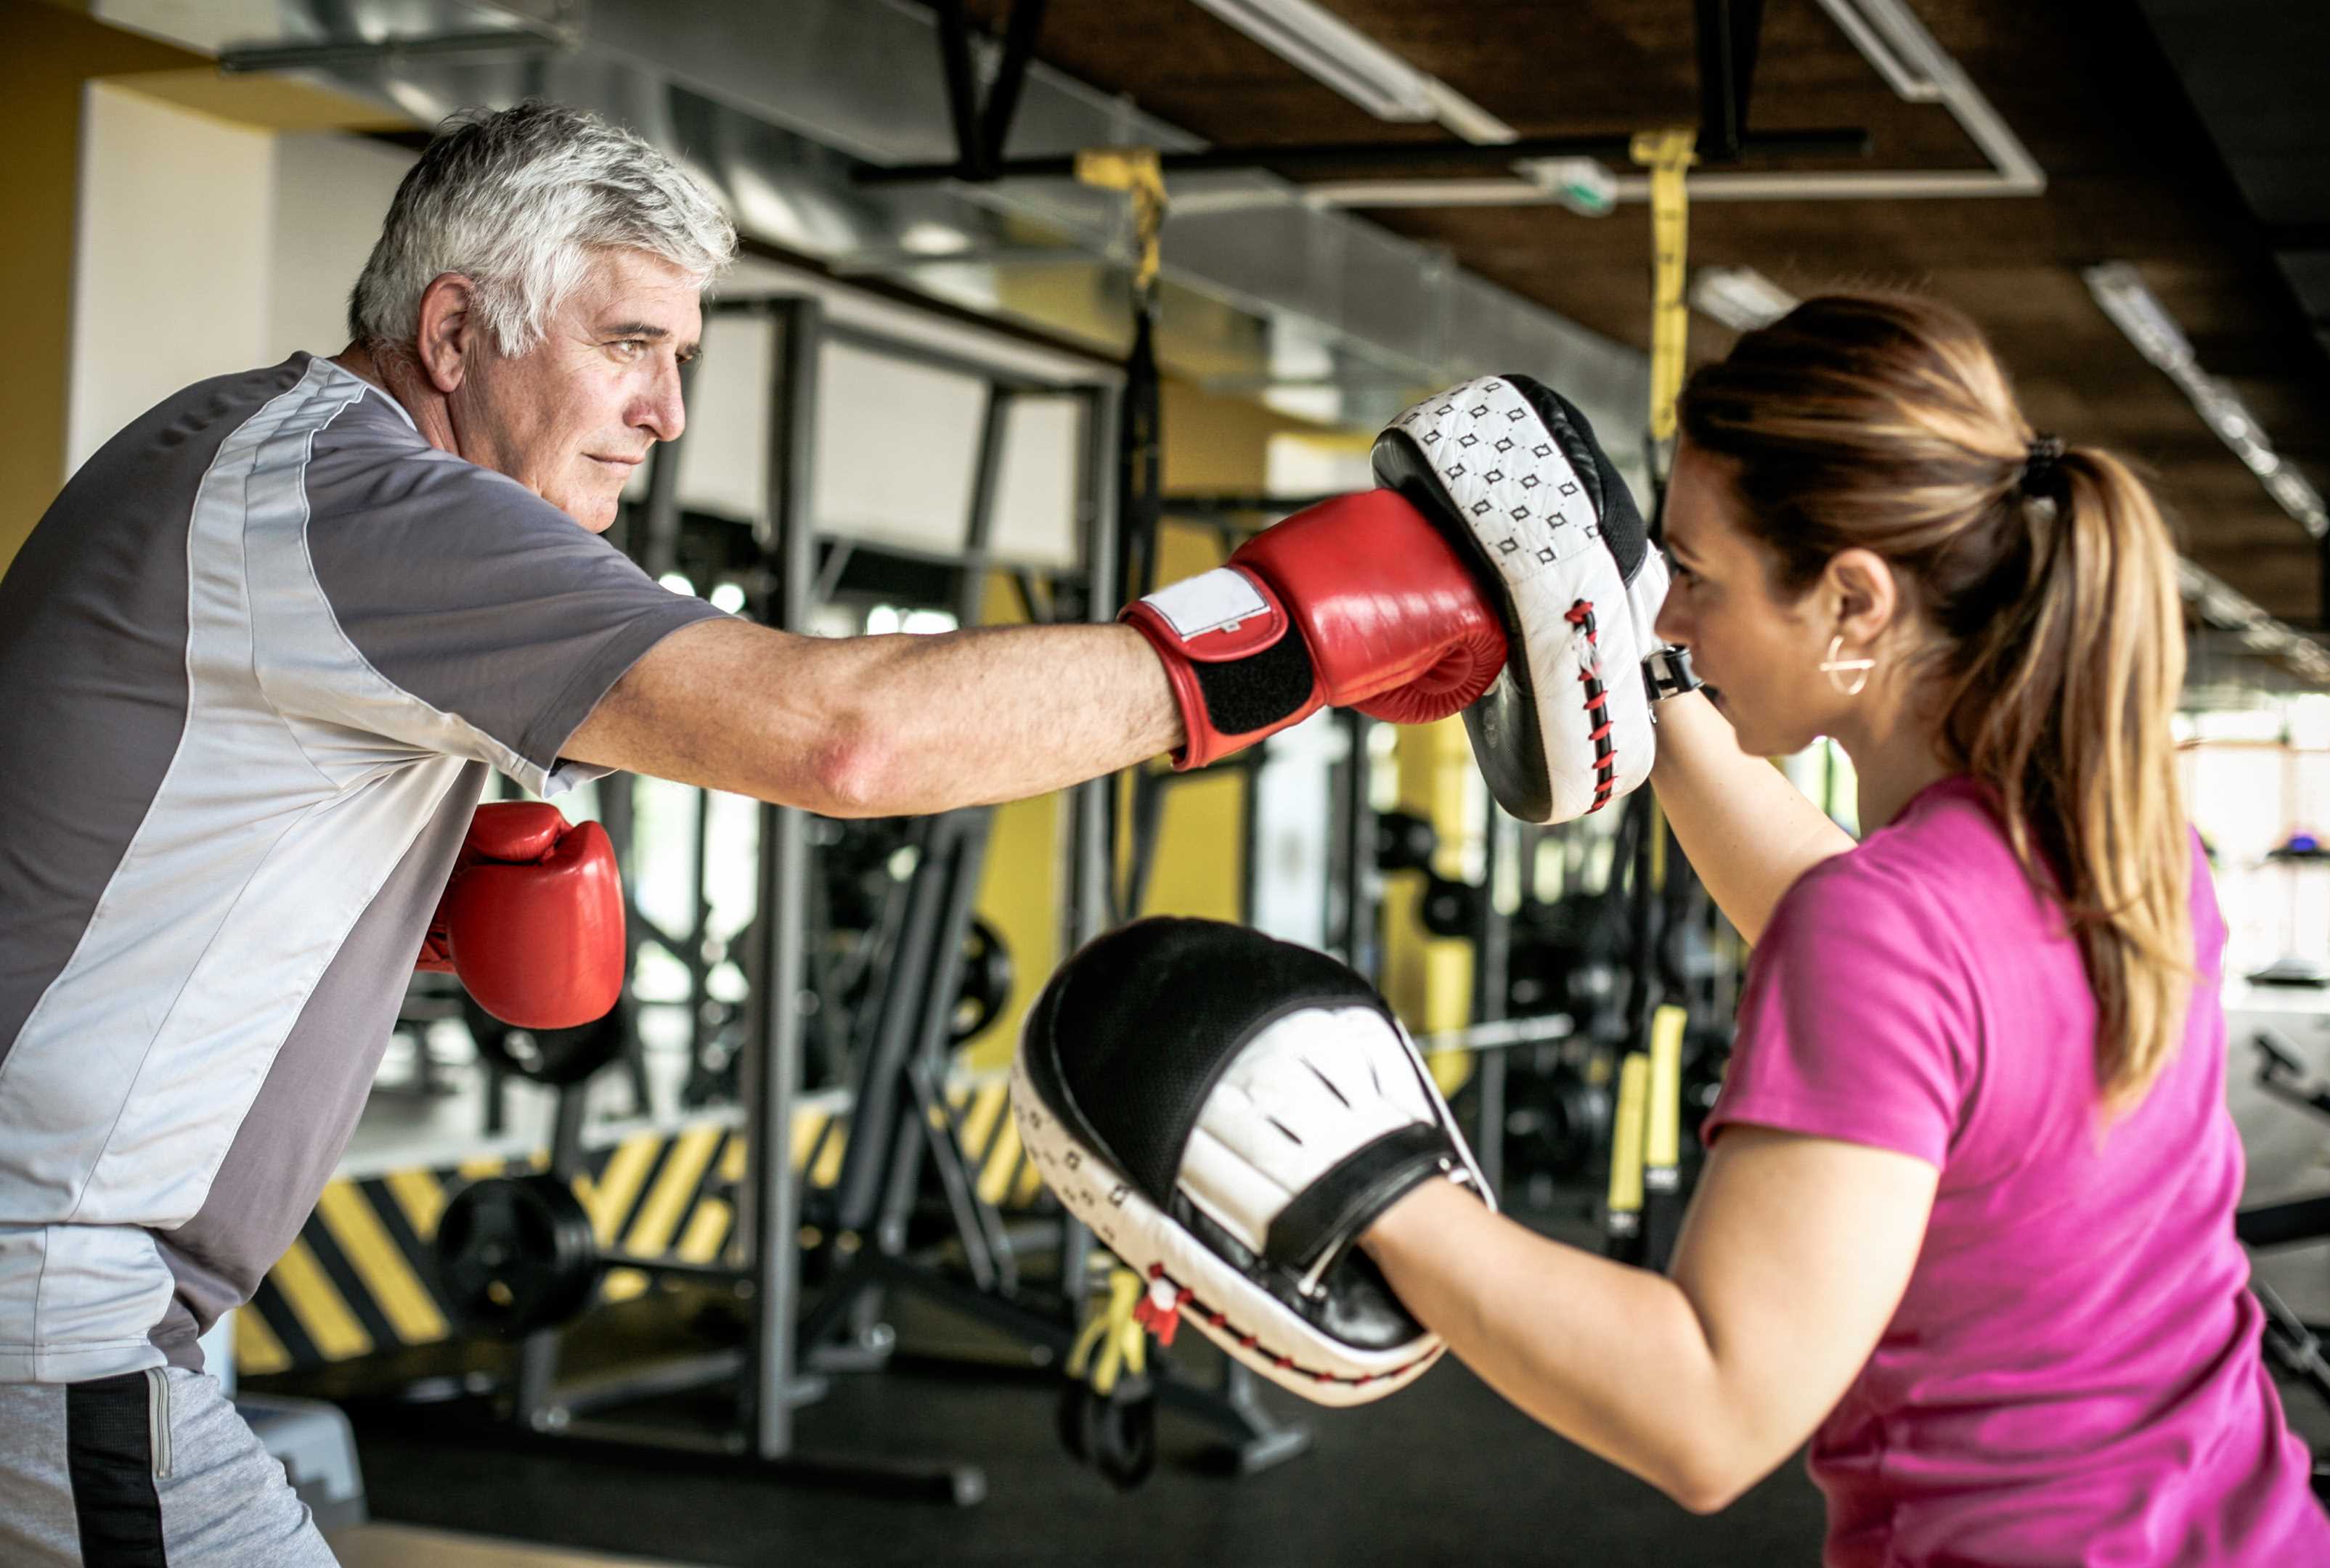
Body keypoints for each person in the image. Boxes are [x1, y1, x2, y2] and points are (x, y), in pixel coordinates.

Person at [0, 100, 1568, 1566]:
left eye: (679, 356)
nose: (667, 410)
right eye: (628, 344)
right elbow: (848, 734)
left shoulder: (241, 449)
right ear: (458, 331)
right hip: (52, 1293)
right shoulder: (369, 505)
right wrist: (1289, 633)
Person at [1029, 293, 2330, 1564]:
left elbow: (1710, 1411)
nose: (1670, 615)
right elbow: (1864, 932)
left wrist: (1370, 1187)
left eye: (1693, 579)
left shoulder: (1890, 929)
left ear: (1853, 604)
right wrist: (1617, 660)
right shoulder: (2112, 839)